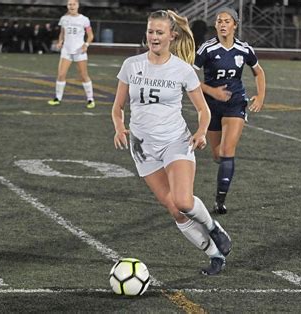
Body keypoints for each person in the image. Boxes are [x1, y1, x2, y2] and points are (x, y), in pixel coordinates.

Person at [112, 9, 232, 276]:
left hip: (175, 142)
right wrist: (120, 127)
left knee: (183, 201)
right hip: (143, 150)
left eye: (159, 32)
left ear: (171, 35)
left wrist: (201, 132)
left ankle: (213, 228)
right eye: (150, 32)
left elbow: (204, 110)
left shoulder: (182, 69)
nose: (153, 37)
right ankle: (214, 255)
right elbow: (118, 106)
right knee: (174, 210)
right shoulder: (131, 65)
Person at [193, 7, 266, 214]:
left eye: (227, 21)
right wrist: (211, 91)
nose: (223, 24)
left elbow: (258, 72)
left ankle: (220, 201)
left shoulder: (244, 49)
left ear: (235, 24)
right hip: (211, 106)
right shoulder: (206, 48)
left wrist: (260, 96)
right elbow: (189, 77)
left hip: (235, 102)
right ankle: (223, 171)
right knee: (217, 155)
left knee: (227, 152)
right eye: (219, 21)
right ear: (215, 25)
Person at [48, 0, 95, 109]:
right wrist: (60, 42)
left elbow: (90, 35)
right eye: (70, 4)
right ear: (67, 6)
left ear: (78, 6)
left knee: (83, 75)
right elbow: (62, 33)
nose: (72, 6)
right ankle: (57, 98)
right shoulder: (64, 19)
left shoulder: (84, 19)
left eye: (74, 4)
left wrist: (86, 45)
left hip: (79, 51)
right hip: (66, 51)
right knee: (61, 74)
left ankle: (90, 99)